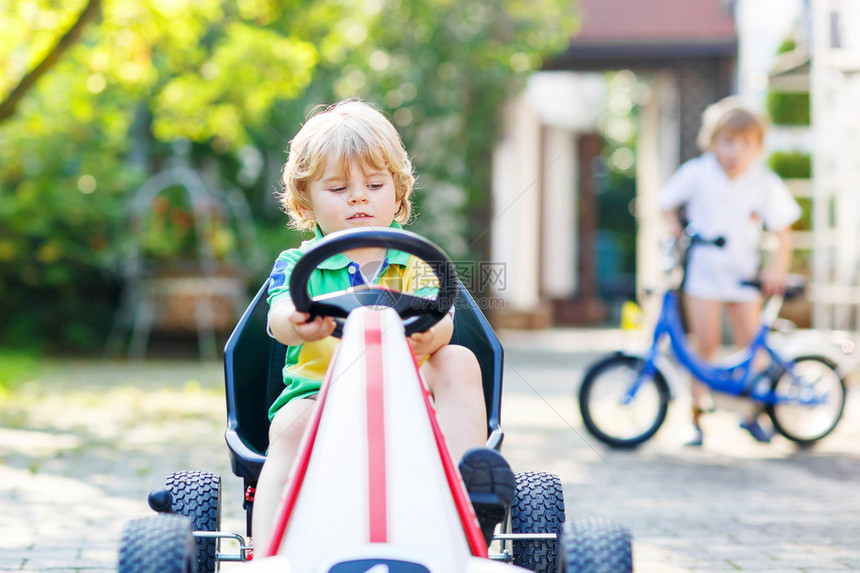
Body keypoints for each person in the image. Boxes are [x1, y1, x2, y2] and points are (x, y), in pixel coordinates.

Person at [254, 99, 515, 551]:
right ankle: (270, 550)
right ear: (305, 200)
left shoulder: (417, 261)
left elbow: (443, 321)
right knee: (291, 430)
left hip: (408, 397)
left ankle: (466, 497)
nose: (358, 197)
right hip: (318, 398)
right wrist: (297, 321)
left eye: (373, 184)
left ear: (397, 194)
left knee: (456, 359)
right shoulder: (297, 265)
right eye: (337, 188)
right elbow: (278, 320)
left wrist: (430, 335)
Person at [659, 96, 801, 447]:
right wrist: (678, 235)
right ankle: (696, 415)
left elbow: (783, 230)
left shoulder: (762, 181)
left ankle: (750, 413)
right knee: (703, 346)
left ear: (757, 147)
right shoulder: (698, 172)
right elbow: (665, 205)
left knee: (750, 344)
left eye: (746, 144)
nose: (736, 151)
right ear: (713, 141)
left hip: (744, 274)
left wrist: (776, 270)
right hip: (704, 273)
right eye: (728, 141)